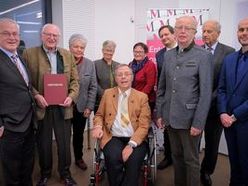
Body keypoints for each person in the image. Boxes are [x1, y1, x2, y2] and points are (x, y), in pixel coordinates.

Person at [156, 16, 213, 186]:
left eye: (187, 28)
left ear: (195, 32)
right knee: (176, 157)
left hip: (190, 120)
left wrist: (199, 122)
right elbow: (162, 88)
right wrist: (160, 113)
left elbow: (205, 93)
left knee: (191, 160)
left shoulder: (203, 56)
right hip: (170, 118)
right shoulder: (168, 56)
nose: (182, 31)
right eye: (179, 27)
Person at [22, 24, 79, 186]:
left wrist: (71, 96)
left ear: (58, 37)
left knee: (64, 143)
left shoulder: (67, 55)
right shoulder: (29, 54)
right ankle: (45, 173)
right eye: (48, 35)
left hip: (63, 106)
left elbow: (75, 80)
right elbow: (25, 81)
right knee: (44, 143)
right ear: (42, 35)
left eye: (55, 35)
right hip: (42, 106)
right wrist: (36, 95)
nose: (52, 38)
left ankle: (65, 174)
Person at [92, 64, 151, 186]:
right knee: (113, 158)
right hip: (113, 137)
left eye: (127, 74)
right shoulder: (108, 93)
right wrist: (97, 126)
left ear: (132, 77)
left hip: (135, 138)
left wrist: (131, 145)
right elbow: (99, 115)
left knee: (133, 161)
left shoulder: (142, 97)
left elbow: (144, 125)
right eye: (119, 75)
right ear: (115, 78)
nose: (123, 77)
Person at [0, 18, 36, 186]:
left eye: (15, 34)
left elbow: (25, 87)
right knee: (11, 172)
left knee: (26, 167)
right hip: (10, 127)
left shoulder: (18, 57)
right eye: (6, 33)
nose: (12, 37)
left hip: (28, 122)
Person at [200, 20, 235, 186]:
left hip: (215, 108)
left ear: (218, 33)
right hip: (195, 108)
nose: (205, 34)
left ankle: (206, 171)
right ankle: (193, 169)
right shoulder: (196, 51)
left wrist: (207, 99)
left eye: (210, 31)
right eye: (204, 31)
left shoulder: (228, 52)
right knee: (193, 142)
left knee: (212, 144)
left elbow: (227, 82)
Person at [217, 17, 248, 186]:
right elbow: (221, 88)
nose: (244, 33)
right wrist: (222, 112)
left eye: (247, 29)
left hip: (244, 120)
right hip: (228, 122)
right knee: (234, 161)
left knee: (246, 163)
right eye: (241, 29)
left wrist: (235, 115)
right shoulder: (230, 59)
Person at [69, 34, 97, 170]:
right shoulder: (63, 61)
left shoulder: (89, 64)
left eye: (82, 47)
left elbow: (93, 87)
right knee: (63, 137)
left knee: (79, 135)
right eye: (76, 46)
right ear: (70, 47)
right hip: (64, 107)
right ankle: (65, 162)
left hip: (81, 107)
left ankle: (79, 158)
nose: (79, 50)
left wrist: (89, 106)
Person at [155, 25, 177, 170]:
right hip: (167, 98)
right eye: (161, 35)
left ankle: (179, 159)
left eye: (166, 34)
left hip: (183, 99)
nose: (164, 37)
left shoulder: (182, 50)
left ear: (174, 34)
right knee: (168, 130)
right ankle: (168, 157)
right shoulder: (159, 55)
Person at [129, 42, 157, 113]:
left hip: (145, 100)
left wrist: (139, 98)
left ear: (145, 53)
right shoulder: (130, 65)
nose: (137, 54)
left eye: (140, 52)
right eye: (135, 51)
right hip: (132, 98)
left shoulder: (150, 65)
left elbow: (150, 85)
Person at [94, 40, 120, 112]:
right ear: (102, 50)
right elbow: (94, 83)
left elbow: (120, 82)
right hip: (100, 101)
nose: (109, 52)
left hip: (115, 100)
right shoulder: (95, 64)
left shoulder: (118, 65)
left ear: (114, 52)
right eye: (107, 50)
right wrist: (105, 94)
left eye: (111, 50)